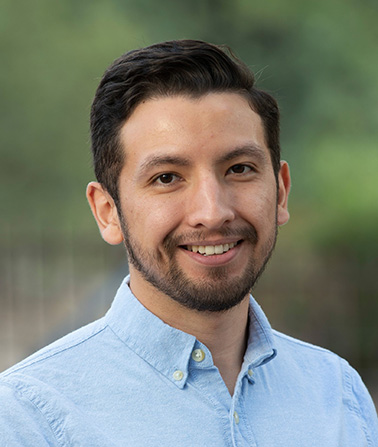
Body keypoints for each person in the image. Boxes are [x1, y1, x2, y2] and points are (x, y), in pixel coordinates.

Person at [0, 39, 377, 446]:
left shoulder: (337, 393)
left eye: (239, 168)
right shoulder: (30, 416)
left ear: (281, 191)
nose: (212, 212)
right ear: (107, 212)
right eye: (166, 177)